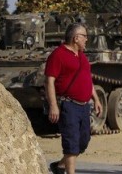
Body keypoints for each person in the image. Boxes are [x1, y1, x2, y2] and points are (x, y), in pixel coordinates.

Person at [45, 23, 103, 174]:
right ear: (76, 38)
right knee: (71, 143)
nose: (86, 40)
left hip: (84, 107)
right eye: (84, 36)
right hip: (69, 105)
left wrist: (95, 99)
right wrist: (53, 105)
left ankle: (59, 166)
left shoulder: (82, 56)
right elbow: (49, 80)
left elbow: (87, 79)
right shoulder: (58, 54)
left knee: (82, 143)